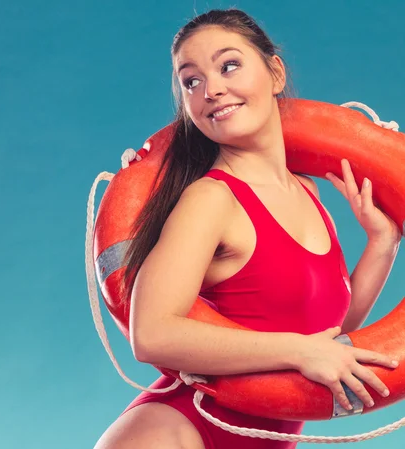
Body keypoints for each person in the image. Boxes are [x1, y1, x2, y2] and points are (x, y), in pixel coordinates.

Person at [93, 8, 402, 449]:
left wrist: (382, 243)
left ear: (275, 73)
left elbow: (329, 340)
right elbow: (152, 334)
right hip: (177, 432)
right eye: (191, 81)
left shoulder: (307, 192)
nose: (212, 89)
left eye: (228, 65)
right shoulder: (211, 199)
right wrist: (299, 350)